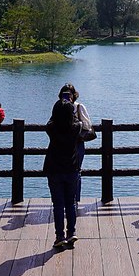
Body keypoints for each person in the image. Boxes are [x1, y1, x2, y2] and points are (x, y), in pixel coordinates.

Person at [44, 99, 96, 249]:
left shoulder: (51, 128)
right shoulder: (76, 127)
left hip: (54, 169)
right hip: (72, 168)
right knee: (70, 203)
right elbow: (83, 125)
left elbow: (51, 120)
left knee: (58, 204)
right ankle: (71, 232)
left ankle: (59, 236)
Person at [59, 83, 92, 201]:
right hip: (62, 144)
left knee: (76, 171)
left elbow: (87, 125)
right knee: (62, 171)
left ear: (74, 94)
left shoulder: (79, 107)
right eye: (65, 93)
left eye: (70, 93)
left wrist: (76, 124)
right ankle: (65, 199)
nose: (68, 96)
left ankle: (75, 199)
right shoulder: (59, 107)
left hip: (77, 144)